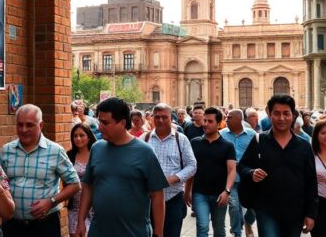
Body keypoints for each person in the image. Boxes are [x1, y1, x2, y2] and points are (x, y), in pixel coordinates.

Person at [75, 97, 168, 237]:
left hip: (134, 232)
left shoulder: (145, 152)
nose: (100, 127)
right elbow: (88, 186)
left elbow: (157, 195)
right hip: (98, 231)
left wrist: (158, 233)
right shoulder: (96, 148)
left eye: (105, 123)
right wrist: (81, 221)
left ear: (122, 123)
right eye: (99, 121)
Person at [238, 94, 318, 237]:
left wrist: (311, 213)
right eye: (277, 113)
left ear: (293, 115)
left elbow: (311, 182)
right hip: (266, 209)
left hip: (295, 210)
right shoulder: (259, 140)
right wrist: (252, 172)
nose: (281, 118)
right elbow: (242, 166)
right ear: (269, 114)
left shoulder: (304, 146)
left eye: (286, 113)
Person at [0, 104, 80, 237]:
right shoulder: (6, 151)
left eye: (29, 125)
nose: (24, 130)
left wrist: (51, 201)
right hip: (12, 226)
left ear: (41, 125)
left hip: (45, 226)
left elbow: (75, 184)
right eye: (20, 125)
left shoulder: (55, 151)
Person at [145, 103, 197, 237]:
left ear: (171, 118)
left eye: (164, 117)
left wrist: (174, 178)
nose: (160, 120)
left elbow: (192, 165)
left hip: (173, 198)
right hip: (148, 201)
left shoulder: (181, 139)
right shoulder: (144, 140)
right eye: (157, 117)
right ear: (152, 118)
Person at [186, 107, 236, 237]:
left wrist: (227, 191)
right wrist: (187, 191)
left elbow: (231, 170)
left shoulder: (227, 146)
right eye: (204, 121)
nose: (205, 124)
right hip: (199, 193)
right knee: (202, 226)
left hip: (220, 194)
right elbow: (191, 169)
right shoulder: (195, 143)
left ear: (219, 124)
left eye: (210, 121)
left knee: (219, 229)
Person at [220, 109, 256, 237]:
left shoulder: (252, 135)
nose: (226, 120)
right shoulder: (222, 134)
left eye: (229, 117)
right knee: (234, 206)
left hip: (248, 178)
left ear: (238, 119)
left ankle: (247, 222)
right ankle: (237, 232)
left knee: (253, 208)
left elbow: (257, 155)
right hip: (231, 178)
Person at [66, 124, 96, 237]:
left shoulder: (96, 154)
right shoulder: (69, 156)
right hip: (75, 206)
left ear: (89, 137)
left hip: (94, 205)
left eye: (81, 135)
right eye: (75, 136)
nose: (78, 138)